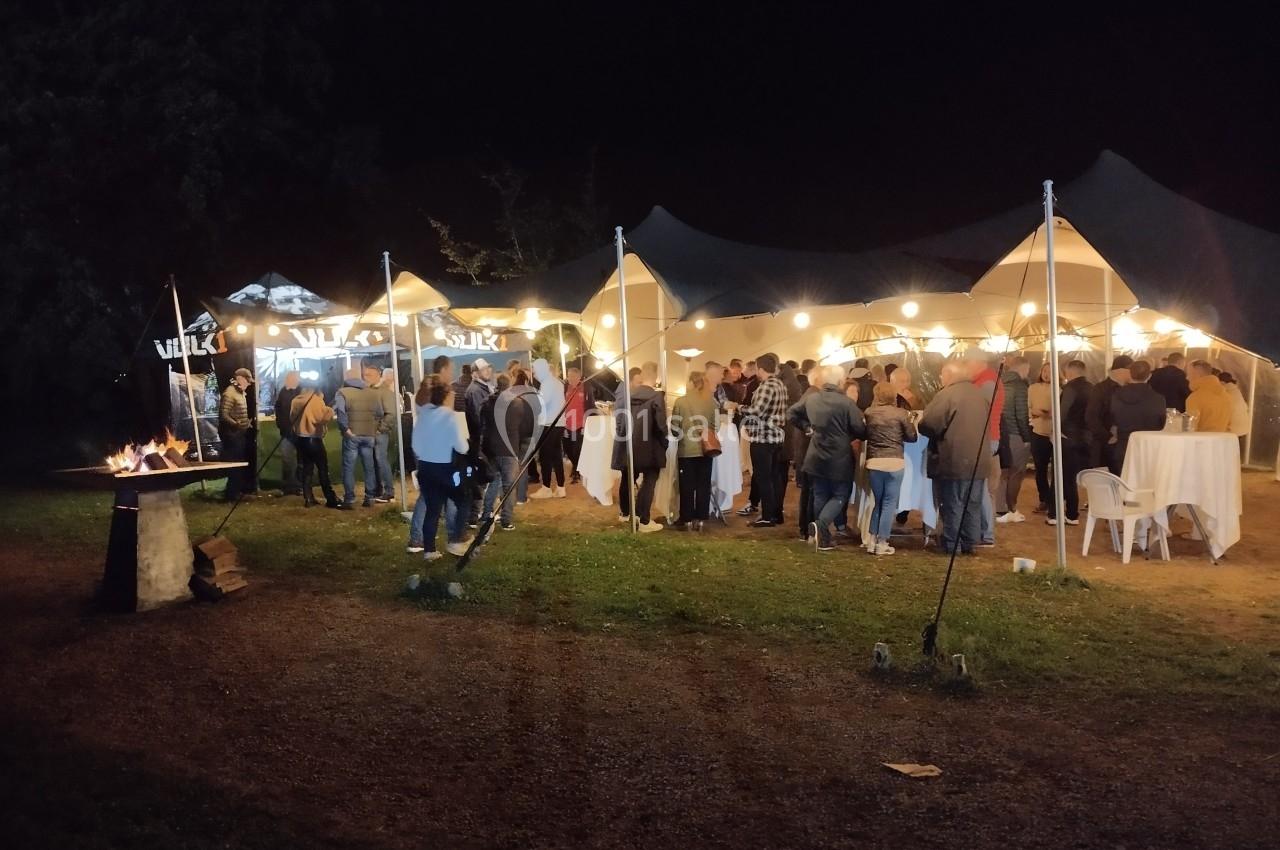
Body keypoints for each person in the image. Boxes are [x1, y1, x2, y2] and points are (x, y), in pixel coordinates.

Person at [788, 365, 866, 551]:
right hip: (839, 457)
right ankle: (821, 526)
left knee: (820, 494)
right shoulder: (846, 403)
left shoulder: (813, 399)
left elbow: (791, 413)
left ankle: (822, 538)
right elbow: (860, 430)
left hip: (815, 455)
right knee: (840, 494)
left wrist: (807, 427)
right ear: (840, 382)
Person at [919, 362, 988, 555]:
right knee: (972, 503)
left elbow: (930, 423)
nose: (940, 379)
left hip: (954, 458)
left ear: (949, 374)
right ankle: (970, 542)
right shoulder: (980, 394)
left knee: (953, 503)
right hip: (979, 460)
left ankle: (952, 544)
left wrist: (921, 426)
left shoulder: (947, 395)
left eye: (941, 375)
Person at [411, 374, 471, 559]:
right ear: (445, 397)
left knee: (433, 509)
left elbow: (415, 445)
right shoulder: (450, 417)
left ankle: (429, 550)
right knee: (464, 500)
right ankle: (457, 539)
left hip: (425, 468)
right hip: (445, 469)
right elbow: (462, 446)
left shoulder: (423, 415)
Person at [863, 381, 918, 555]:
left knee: (878, 502)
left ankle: (871, 540)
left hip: (874, 462)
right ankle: (882, 542)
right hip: (895, 462)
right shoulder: (901, 413)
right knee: (889, 503)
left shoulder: (869, 413)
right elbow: (912, 437)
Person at [612, 361, 666, 532]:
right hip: (650, 447)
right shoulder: (656, 397)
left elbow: (619, 420)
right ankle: (644, 520)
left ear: (642, 375)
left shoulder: (627, 395)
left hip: (629, 445)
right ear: (656, 376)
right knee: (649, 481)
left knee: (628, 478)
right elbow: (661, 425)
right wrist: (665, 442)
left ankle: (627, 513)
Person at [737, 353, 788, 528]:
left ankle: (767, 516)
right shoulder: (780, 384)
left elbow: (756, 411)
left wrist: (739, 407)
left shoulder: (767, 386)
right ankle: (776, 513)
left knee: (763, 478)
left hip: (763, 437)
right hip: (776, 437)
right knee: (774, 477)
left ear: (760, 369)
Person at [478, 374, 530, 531]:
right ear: (509, 385)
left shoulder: (488, 403)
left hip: (491, 449)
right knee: (509, 486)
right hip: (509, 448)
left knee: (492, 483)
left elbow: (483, 423)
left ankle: (486, 514)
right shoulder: (518, 403)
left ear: (496, 384)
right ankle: (506, 520)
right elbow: (524, 426)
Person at [670, 371, 718, 530]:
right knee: (704, 484)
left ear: (691, 382)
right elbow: (715, 426)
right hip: (706, 449)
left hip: (687, 450)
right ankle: (702, 518)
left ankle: (687, 518)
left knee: (687, 485)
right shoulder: (711, 401)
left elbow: (675, 429)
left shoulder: (681, 401)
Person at [1048, 360, 1092, 526]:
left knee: (1060, 477)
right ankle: (1072, 514)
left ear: (1070, 372)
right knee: (1072, 478)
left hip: (1067, 438)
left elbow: (1062, 413)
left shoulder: (1070, 389)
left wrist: (1056, 431)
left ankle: (1055, 514)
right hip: (1085, 439)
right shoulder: (1092, 388)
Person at [969, 350, 1005, 547]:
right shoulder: (988, 380)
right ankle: (985, 533)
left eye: (969, 363)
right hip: (989, 438)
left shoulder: (986, 383)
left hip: (986, 438)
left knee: (982, 489)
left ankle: (986, 534)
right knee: (983, 488)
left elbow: (981, 412)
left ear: (979, 362)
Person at [334, 366, 383, 508]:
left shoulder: (342, 392)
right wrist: (374, 428)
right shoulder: (372, 393)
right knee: (369, 467)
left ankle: (349, 499)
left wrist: (346, 429)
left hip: (352, 434)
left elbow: (341, 413)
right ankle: (370, 497)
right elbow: (379, 413)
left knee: (348, 467)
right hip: (369, 434)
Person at [289, 381, 341, 509]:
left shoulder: (295, 400)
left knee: (307, 469)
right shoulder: (316, 400)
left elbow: (291, 418)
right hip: (314, 438)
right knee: (323, 469)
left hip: (301, 438)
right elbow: (321, 419)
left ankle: (308, 498)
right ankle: (330, 498)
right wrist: (329, 410)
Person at [1111, 359, 1167, 471]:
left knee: (1124, 483)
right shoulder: (1158, 399)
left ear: (1129, 373)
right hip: (1149, 447)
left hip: (1124, 445)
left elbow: (1113, 417)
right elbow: (1162, 424)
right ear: (1149, 376)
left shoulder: (1116, 395)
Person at [996, 355, 1033, 524]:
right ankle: (1011, 508)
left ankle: (999, 508)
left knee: (1002, 473)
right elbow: (1021, 414)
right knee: (1016, 473)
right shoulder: (1020, 386)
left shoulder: (999, 382)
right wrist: (1027, 437)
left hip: (999, 433)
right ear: (1023, 368)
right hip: (1016, 434)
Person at [1086, 355, 1133, 473]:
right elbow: (1091, 417)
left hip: (1123, 445)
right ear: (1121, 371)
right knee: (1104, 484)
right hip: (1104, 446)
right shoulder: (1101, 388)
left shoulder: (1130, 388)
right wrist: (1108, 437)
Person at [463, 358, 496, 521]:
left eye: (488, 368)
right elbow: (478, 417)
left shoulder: (484, 388)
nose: (488, 371)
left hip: (483, 438)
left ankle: (478, 513)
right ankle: (475, 514)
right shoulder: (475, 391)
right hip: (480, 440)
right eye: (484, 370)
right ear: (475, 374)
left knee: (484, 476)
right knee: (482, 476)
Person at [529, 358, 567, 499]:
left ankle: (546, 488)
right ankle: (561, 487)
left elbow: (542, 403)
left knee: (545, 457)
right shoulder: (557, 382)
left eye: (535, 371)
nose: (534, 374)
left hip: (549, 424)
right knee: (556, 456)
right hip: (558, 424)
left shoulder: (547, 383)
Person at [218, 367, 254, 501]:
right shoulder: (230, 393)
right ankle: (231, 495)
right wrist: (237, 424)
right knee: (235, 465)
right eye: (247, 381)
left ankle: (235, 492)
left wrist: (245, 423)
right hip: (232, 435)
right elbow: (223, 415)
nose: (249, 384)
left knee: (239, 464)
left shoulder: (239, 393)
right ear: (240, 379)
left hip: (239, 434)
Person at [794, 364, 821, 540]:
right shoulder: (814, 397)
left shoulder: (809, 395)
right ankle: (808, 528)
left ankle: (805, 527)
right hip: (809, 452)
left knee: (807, 491)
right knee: (811, 492)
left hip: (804, 452)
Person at [363, 362, 394, 503]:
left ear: (378, 376)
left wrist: (380, 428)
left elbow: (391, 413)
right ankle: (378, 489)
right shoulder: (367, 390)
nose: (366, 377)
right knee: (374, 461)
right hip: (369, 431)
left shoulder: (385, 392)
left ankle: (389, 491)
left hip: (379, 432)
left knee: (381, 460)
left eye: (369, 375)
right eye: (365, 375)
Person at [1027, 362, 1055, 514]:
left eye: (1050, 371)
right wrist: (1036, 412)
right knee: (1040, 469)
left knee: (1057, 471)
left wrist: (1048, 414)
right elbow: (1028, 408)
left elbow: (1059, 412)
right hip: (1037, 432)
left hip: (1054, 433)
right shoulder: (1032, 388)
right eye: (1045, 370)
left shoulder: (1059, 390)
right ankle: (1043, 499)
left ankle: (1054, 501)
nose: (1046, 374)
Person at [273, 370, 303, 496]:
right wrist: (281, 425)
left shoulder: (301, 391)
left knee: (301, 460)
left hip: (300, 432)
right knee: (286, 459)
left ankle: (299, 486)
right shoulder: (283, 392)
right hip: (286, 431)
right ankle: (287, 486)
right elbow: (278, 409)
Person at [1186, 359, 1231, 432]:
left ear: (1198, 374)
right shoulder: (1226, 395)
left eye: (1189, 374)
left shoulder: (1195, 398)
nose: (1187, 378)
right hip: (1221, 441)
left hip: (1202, 442)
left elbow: (1190, 429)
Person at [562, 365, 588, 484]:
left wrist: (586, 423)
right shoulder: (565, 387)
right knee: (567, 448)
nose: (571, 378)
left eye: (573, 376)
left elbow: (590, 406)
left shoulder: (585, 387)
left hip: (580, 425)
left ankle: (576, 471)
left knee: (577, 449)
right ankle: (575, 466)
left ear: (579, 377)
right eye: (569, 376)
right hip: (567, 424)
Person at [1220, 372, 1251, 438]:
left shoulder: (1225, 391)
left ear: (1221, 382)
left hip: (1233, 430)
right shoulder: (1235, 390)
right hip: (1244, 428)